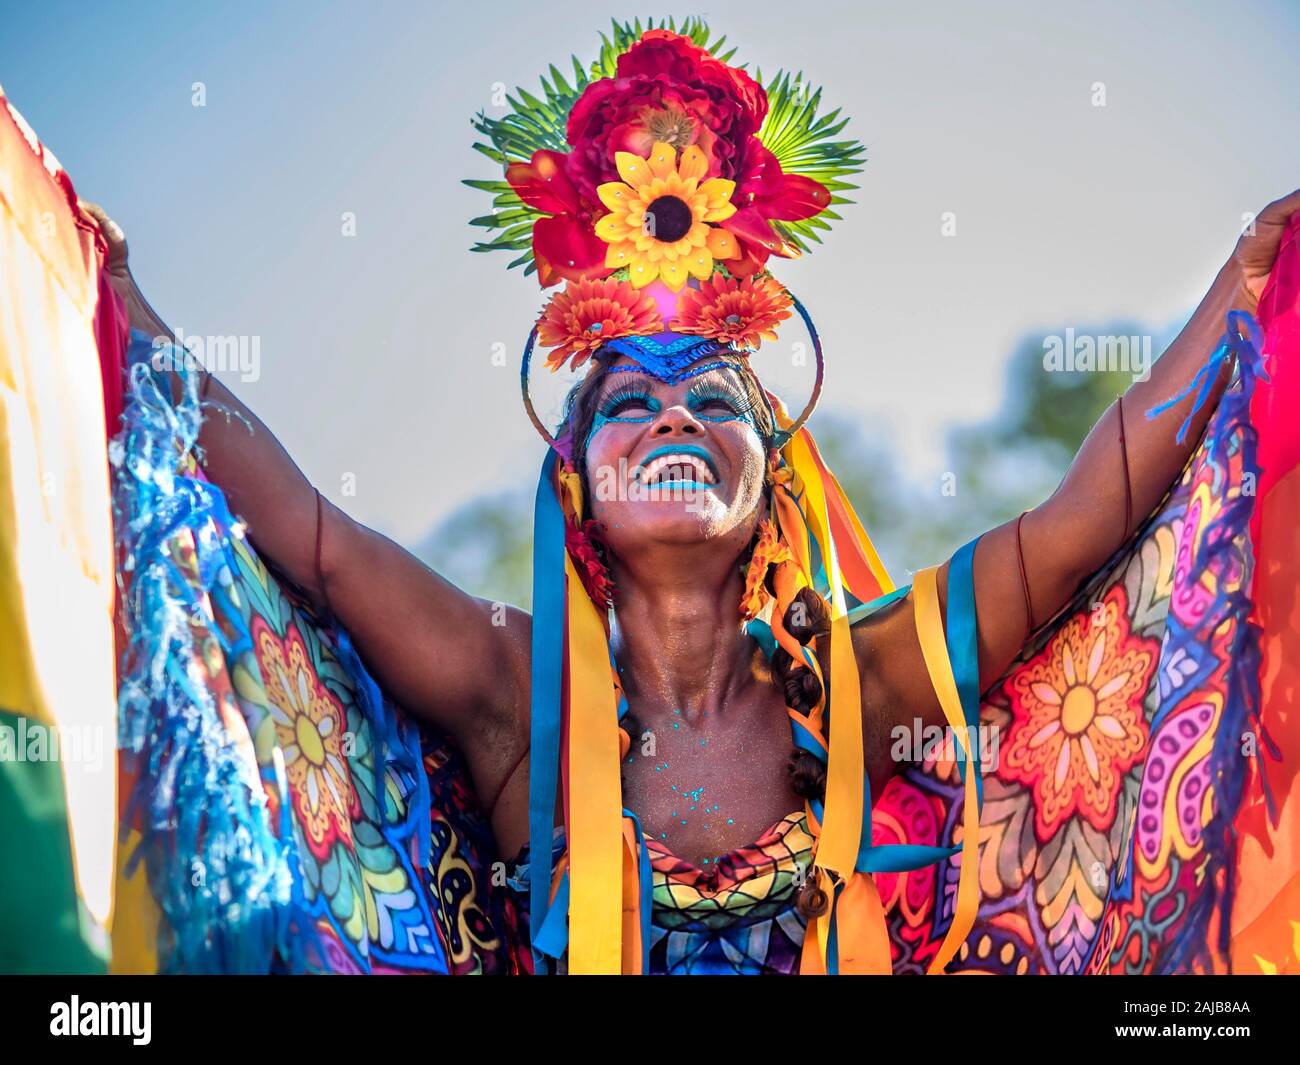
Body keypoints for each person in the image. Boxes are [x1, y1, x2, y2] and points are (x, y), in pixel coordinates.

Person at [94, 22, 1298, 975]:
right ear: (576, 480)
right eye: (628, 400)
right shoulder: (514, 694)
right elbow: (316, 541)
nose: (674, 415)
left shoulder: (867, 681)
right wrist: (122, 310)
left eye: (714, 398)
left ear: (772, 471)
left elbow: (1084, 519)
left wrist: (1240, 284)